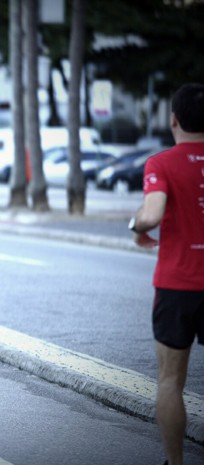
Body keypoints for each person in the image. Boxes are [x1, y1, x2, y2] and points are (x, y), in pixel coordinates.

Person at [129, 83, 204, 465]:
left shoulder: (161, 163)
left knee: (171, 380)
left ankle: (176, 463)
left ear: (173, 121)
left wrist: (137, 225)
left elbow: (153, 214)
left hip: (178, 285)